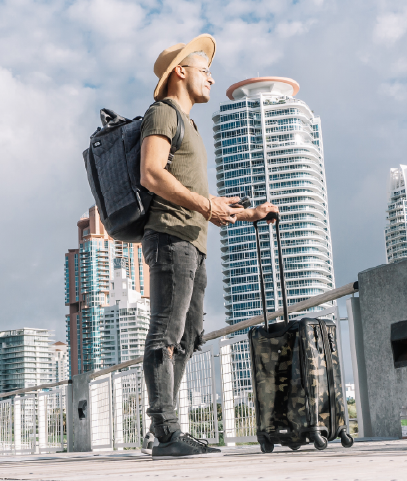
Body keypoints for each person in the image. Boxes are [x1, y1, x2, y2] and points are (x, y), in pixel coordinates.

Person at [139, 34, 279, 457]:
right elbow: (151, 172)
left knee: (189, 336)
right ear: (180, 71)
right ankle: (164, 432)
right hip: (171, 238)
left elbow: (207, 205)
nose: (212, 79)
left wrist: (249, 214)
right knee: (166, 330)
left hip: (193, 244)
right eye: (205, 71)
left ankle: (167, 429)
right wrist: (204, 203)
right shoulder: (164, 113)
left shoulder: (192, 126)